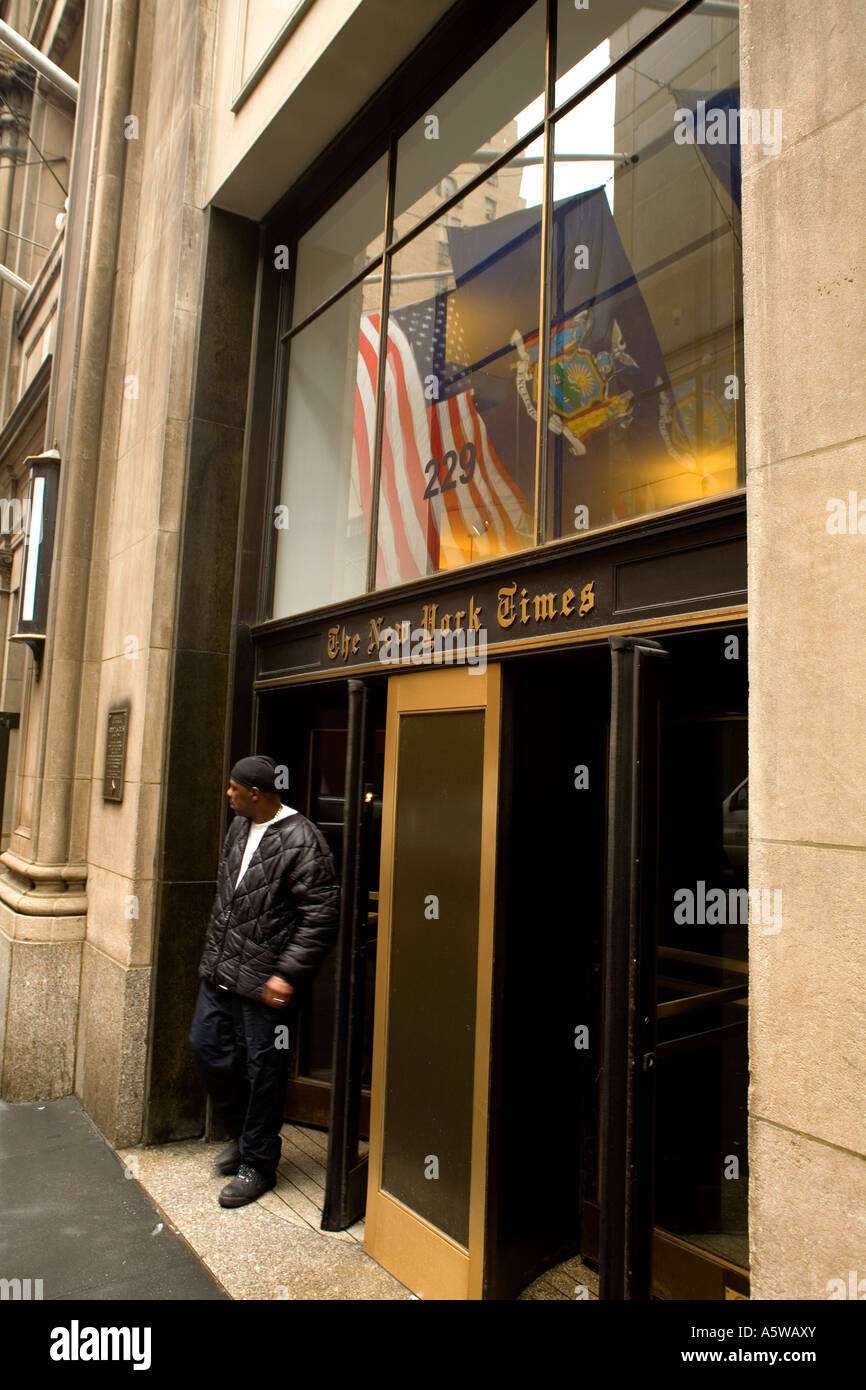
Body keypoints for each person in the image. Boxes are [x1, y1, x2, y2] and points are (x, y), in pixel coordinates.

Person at [190, 754, 339, 1208]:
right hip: (220, 971)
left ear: (256, 793)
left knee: (264, 1073)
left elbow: (321, 914)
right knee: (208, 1048)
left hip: (264, 982)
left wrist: (286, 974)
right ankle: (240, 1134)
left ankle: (259, 1162)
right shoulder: (239, 827)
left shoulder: (302, 839)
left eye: (234, 788)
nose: (228, 794)